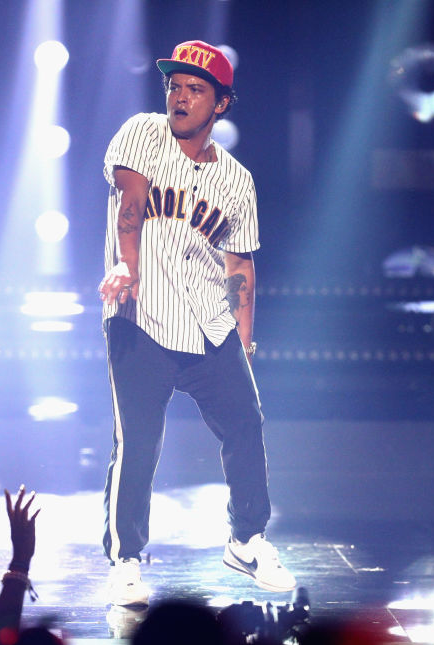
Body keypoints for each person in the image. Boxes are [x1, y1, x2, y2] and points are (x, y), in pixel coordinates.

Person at [97, 39, 296, 607]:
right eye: (175, 87)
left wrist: (245, 340)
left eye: (195, 90)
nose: (180, 98)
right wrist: (125, 268)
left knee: (247, 424)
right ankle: (127, 561)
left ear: (221, 105)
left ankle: (247, 539)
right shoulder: (142, 132)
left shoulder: (237, 181)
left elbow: (240, 267)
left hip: (209, 325)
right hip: (140, 316)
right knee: (137, 442)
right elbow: (129, 204)